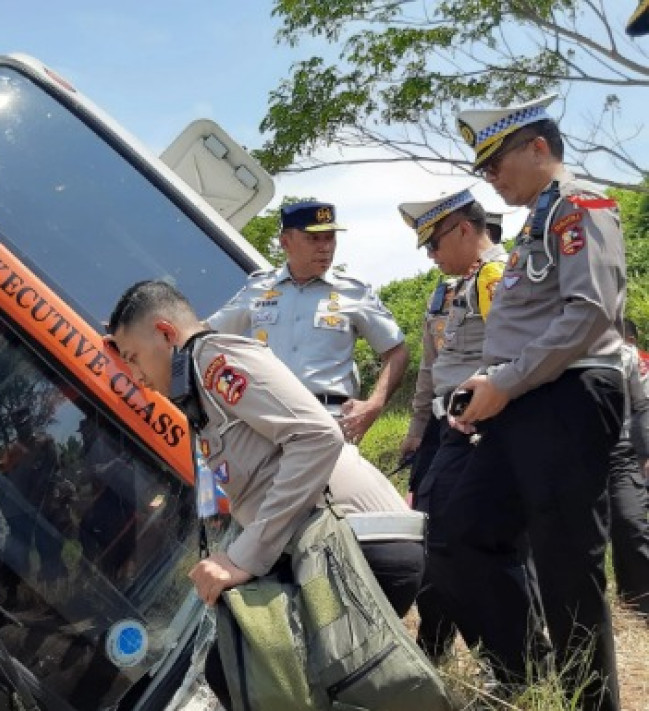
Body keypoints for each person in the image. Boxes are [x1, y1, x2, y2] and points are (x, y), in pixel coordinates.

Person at [106, 280, 425, 704]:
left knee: (247, 665)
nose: (136, 376)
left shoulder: (217, 361)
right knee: (244, 665)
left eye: (133, 358)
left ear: (166, 334)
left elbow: (317, 437)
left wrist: (243, 558)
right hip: (330, 549)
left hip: (362, 546)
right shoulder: (200, 390)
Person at [445, 94, 626, 710]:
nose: (490, 179)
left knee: (566, 564)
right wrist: (491, 385)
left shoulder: (580, 205)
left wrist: (506, 380)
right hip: (524, 397)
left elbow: (589, 312)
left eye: (496, 165)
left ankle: (589, 702)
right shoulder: (539, 220)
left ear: (539, 149)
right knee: (465, 533)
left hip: (568, 394)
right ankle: (531, 680)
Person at [396, 189, 535, 662]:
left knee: (465, 544)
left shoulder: (495, 275)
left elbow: (520, 351)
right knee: (444, 542)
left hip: (480, 428)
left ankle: (519, 658)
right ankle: (505, 657)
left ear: (462, 229)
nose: (432, 256)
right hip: (454, 427)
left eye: (434, 244)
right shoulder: (469, 281)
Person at [206, 201, 408, 443]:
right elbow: (206, 334)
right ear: (285, 242)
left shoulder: (353, 291)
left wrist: (373, 405)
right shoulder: (259, 288)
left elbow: (396, 351)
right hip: (266, 422)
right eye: (314, 239)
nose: (325, 248)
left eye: (330, 238)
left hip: (329, 420)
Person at [611, 318, 649, 615]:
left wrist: (645, 453)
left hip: (619, 452)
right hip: (573, 455)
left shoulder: (627, 355)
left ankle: (639, 604)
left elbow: (641, 407)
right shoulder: (552, 352)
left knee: (631, 524)